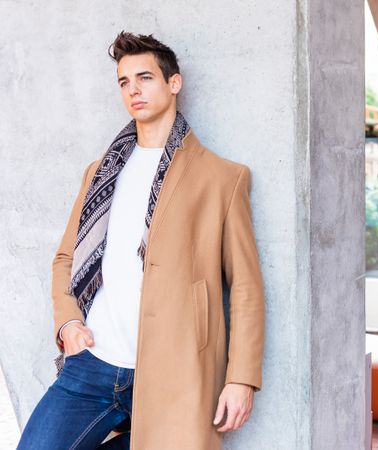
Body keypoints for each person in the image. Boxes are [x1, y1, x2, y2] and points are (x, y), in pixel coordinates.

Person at [17, 31, 265, 449]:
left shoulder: (222, 178)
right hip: (94, 363)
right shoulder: (101, 171)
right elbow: (66, 257)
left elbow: (245, 286)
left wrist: (241, 378)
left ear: (174, 83)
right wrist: (68, 321)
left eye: (145, 78)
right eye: (124, 81)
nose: (134, 90)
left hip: (175, 370)